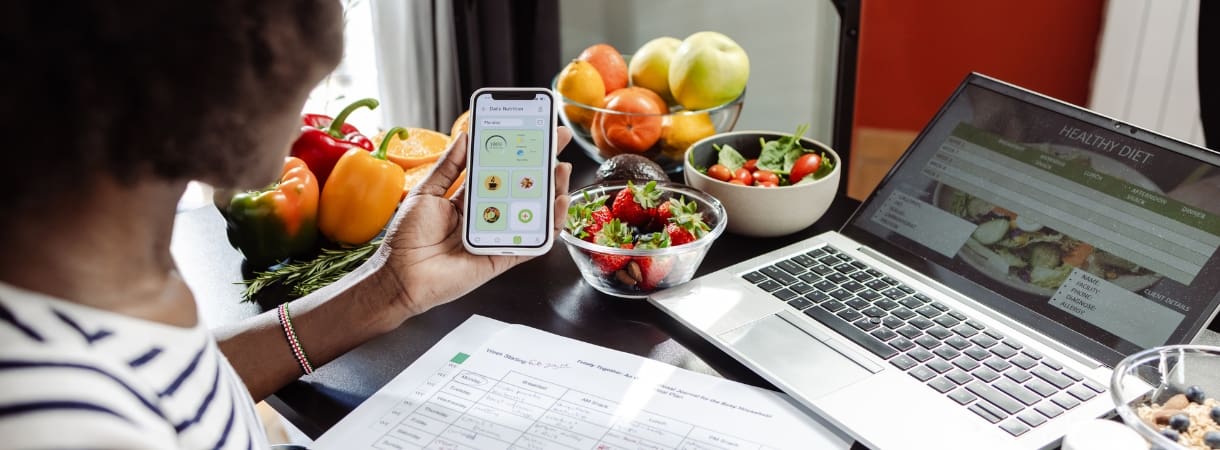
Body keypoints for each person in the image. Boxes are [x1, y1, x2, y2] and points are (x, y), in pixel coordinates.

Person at [0, 1, 573, 447]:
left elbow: (170, 388)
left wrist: (390, 287)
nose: (325, 49)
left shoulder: (92, 263)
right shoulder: (54, 416)